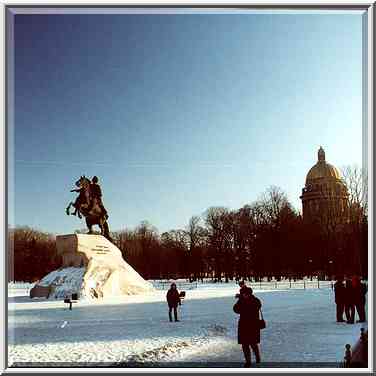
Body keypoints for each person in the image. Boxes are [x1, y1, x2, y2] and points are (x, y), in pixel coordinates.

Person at [233, 287, 262, 367]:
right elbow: (235, 309)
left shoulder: (255, 300)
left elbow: (253, 308)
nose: (244, 295)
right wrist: (240, 300)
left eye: (245, 294)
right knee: (245, 344)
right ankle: (248, 361)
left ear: (249, 293)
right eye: (243, 294)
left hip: (253, 325)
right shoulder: (242, 300)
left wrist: (242, 301)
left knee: (253, 343)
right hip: (244, 325)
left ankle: (257, 358)